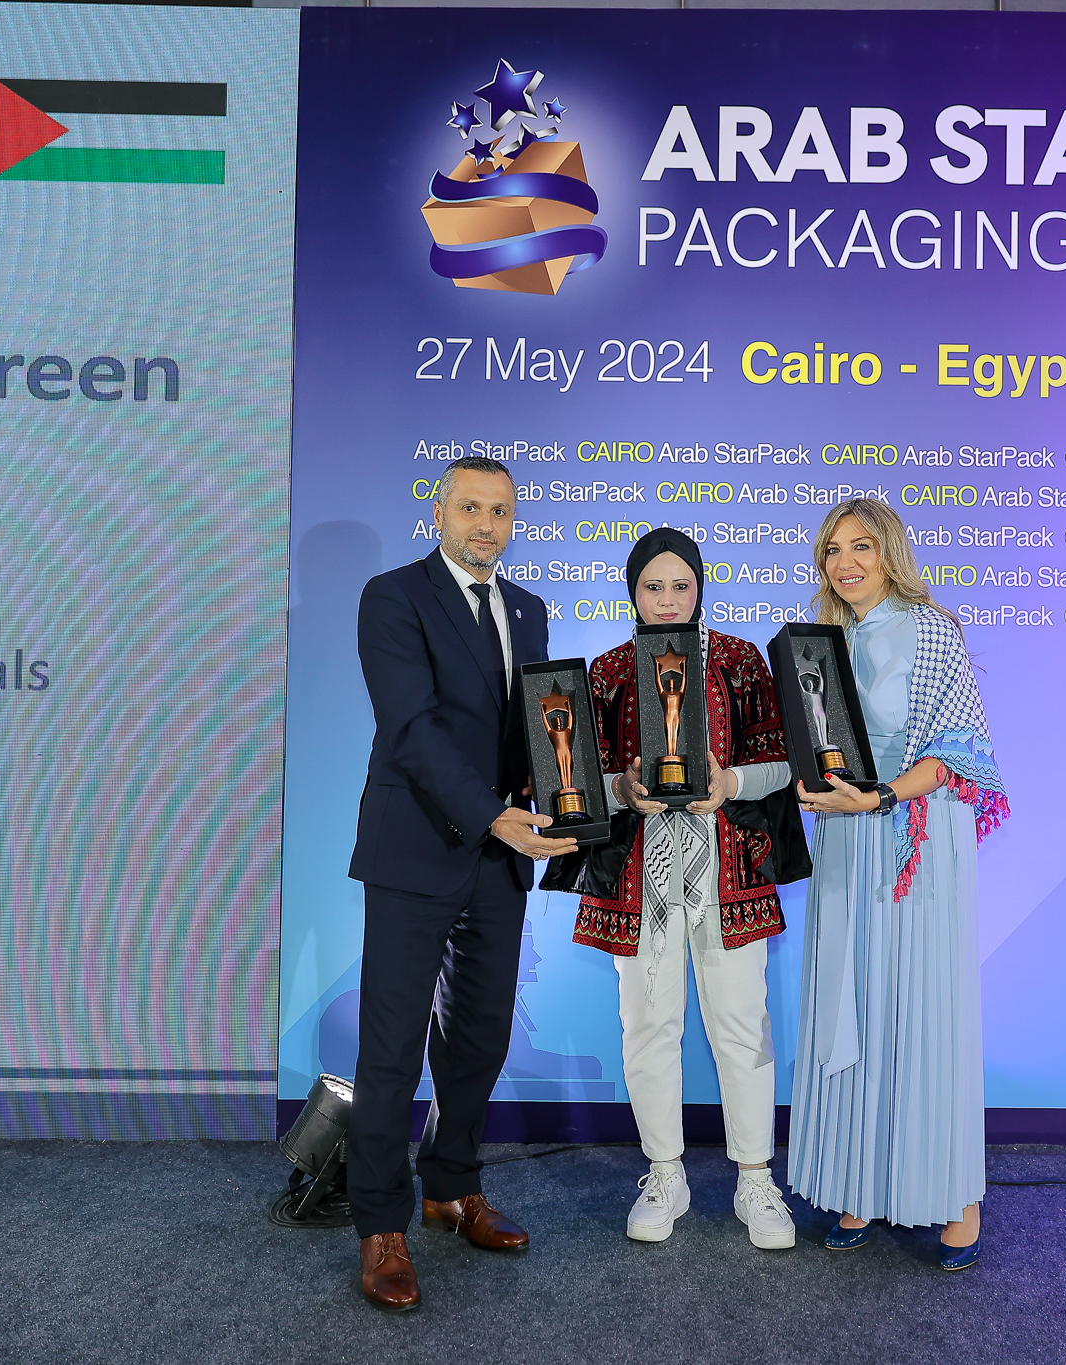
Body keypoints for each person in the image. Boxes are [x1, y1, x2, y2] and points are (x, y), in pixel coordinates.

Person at [343, 455, 579, 1312]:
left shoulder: (528, 608)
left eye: (501, 510)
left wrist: (576, 790)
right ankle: (381, 1224)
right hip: (417, 849)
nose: (487, 524)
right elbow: (411, 730)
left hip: (498, 857)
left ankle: (451, 1185)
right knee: (392, 1047)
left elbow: (537, 730)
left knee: (479, 1036)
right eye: (471, 507)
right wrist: (494, 815)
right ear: (438, 514)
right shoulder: (393, 597)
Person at [542, 528, 810, 1249]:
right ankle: (665, 1175)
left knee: (742, 1026)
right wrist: (622, 788)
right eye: (653, 586)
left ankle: (756, 1179)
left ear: (700, 588)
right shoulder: (604, 673)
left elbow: (783, 760)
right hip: (638, 877)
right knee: (647, 1026)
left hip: (731, 873)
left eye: (681, 585)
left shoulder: (741, 661)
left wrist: (731, 782)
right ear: (632, 592)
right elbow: (574, 777)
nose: (667, 600)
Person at [786, 498, 1010, 1273]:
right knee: (853, 999)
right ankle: (859, 1184)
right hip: (847, 841)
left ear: (890, 553)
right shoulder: (822, 645)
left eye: (861, 546)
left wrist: (880, 796)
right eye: (832, 549)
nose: (845, 562)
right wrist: (817, 788)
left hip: (916, 840)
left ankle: (956, 1199)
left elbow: (959, 753)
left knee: (923, 1012)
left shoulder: (932, 630)